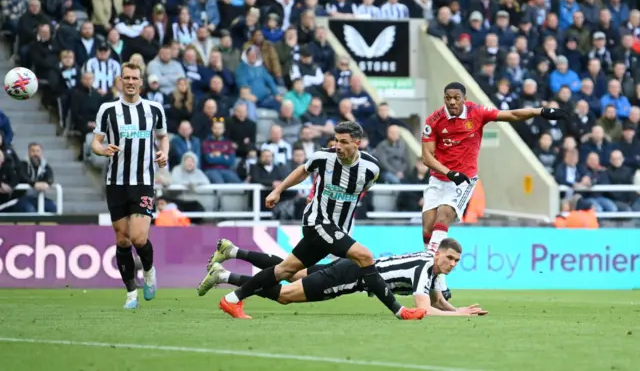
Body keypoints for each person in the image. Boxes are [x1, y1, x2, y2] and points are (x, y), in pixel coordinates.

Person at [218, 121, 426, 320]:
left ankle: (232, 299)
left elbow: (363, 189)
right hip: (317, 222)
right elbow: (302, 171)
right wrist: (278, 190)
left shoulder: (371, 168)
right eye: (336, 140)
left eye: (344, 142)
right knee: (365, 256)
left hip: (337, 229)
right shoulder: (322, 158)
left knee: (285, 270)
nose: (338, 146)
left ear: (357, 143)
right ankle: (400, 311)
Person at [420, 81, 568, 258]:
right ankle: (438, 281)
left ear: (464, 99)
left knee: (444, 215)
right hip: (440, 178)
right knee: (427, 228)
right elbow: (427, 157)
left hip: (464, 179)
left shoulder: (477, 112)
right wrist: (449, 173)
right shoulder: (434, 120)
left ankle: (428, 262)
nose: (452, 102)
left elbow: (512, 114)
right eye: (448, 98)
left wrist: (540, 111)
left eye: (456, 98)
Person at [200, 237, 486, 316]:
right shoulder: (426, 267)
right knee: (286, 295)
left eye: (456, 261)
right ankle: (226, 276)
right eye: (449, 258)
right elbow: (424, 309)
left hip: (352, 268)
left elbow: (436, 299)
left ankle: (232, 251)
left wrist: (457, 308)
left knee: (291, 269)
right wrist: (458, 315)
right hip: (352, 275)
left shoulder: (431, 268)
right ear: (438, 254)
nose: (452, 264)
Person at [91, 62, 169, 309]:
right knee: (123, 240)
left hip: (143, 182)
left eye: (135, 78)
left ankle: (148, 270)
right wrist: (103, 150)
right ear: (120, 81)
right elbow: (96, 142)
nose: (131, 82)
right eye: (126, 78)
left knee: (138, 237)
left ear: (141, 82)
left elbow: (162, 136)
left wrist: (164, 153)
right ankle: (130, 293)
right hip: (116, 183)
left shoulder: (154, 109)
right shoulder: (108, 109)